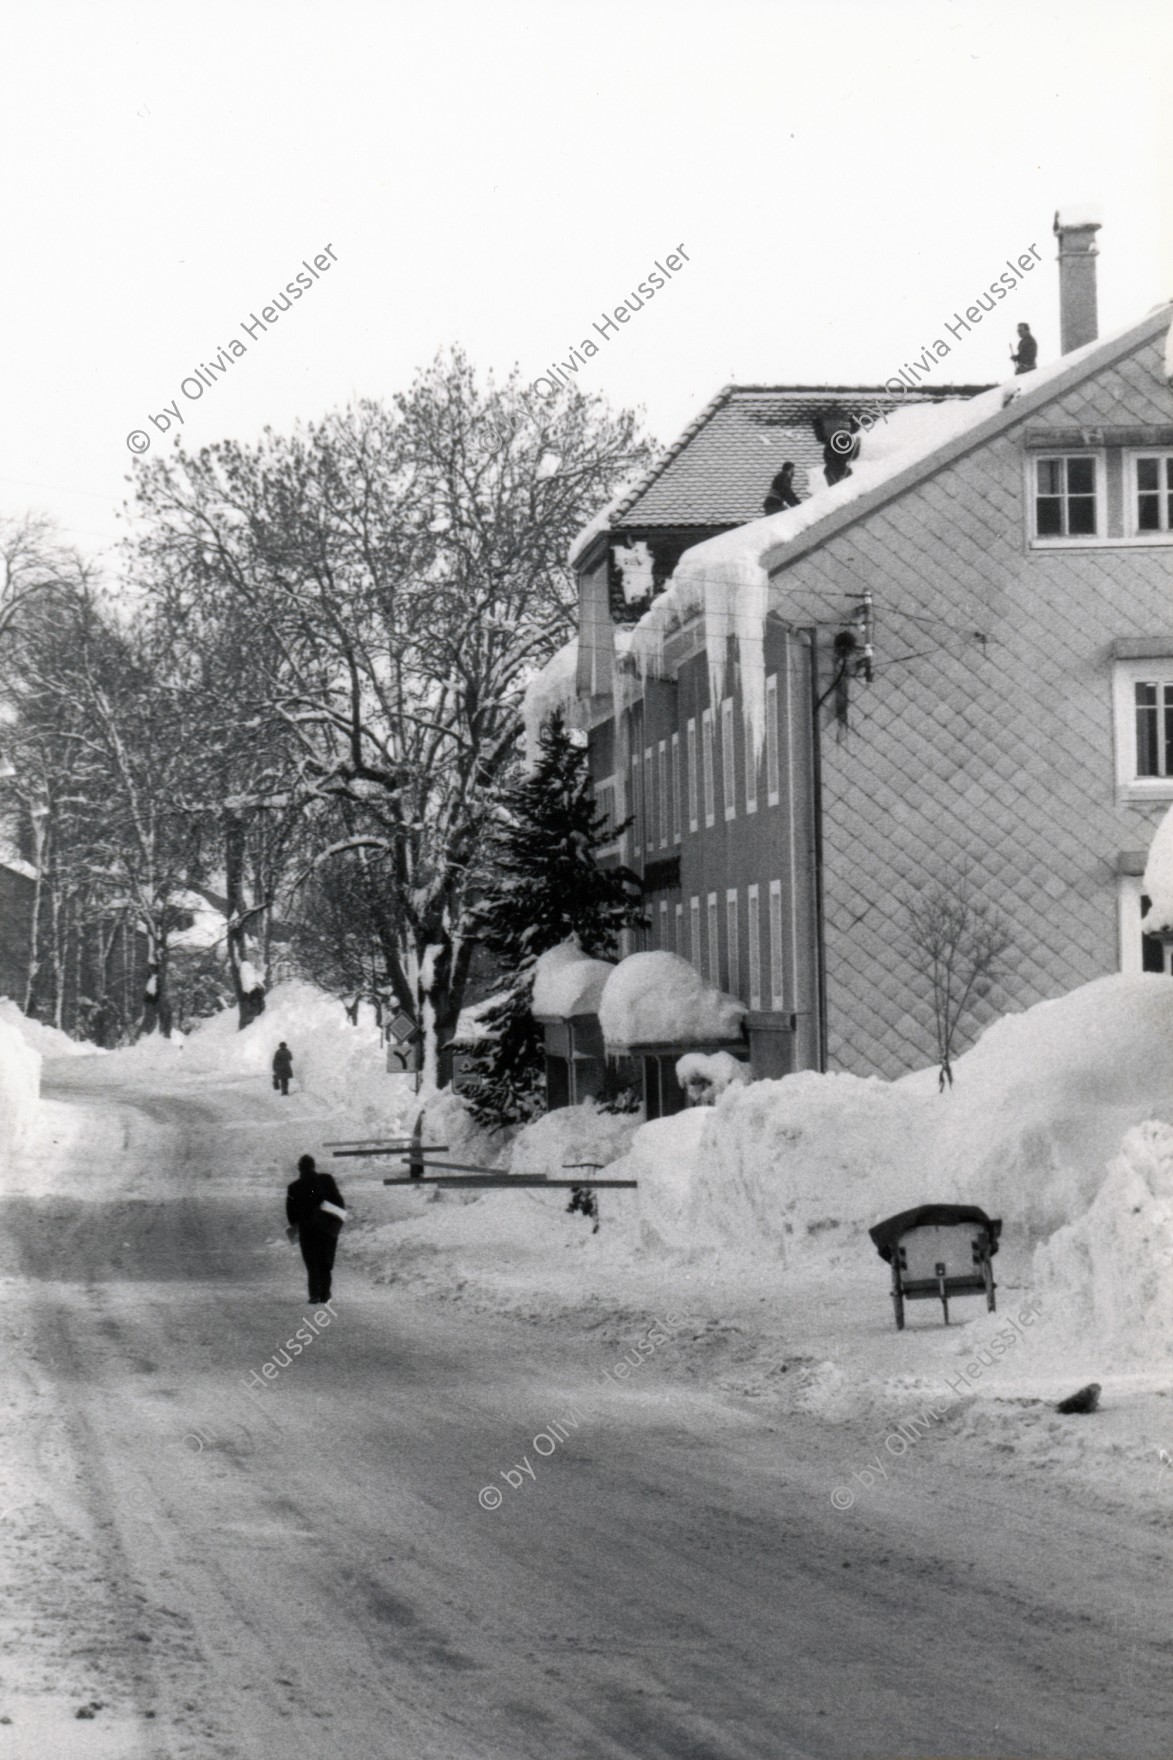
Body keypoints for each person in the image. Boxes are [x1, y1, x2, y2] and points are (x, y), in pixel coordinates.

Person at [285, 1153, 345, 1304]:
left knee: (311, 1262)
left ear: (299, 1169)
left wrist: (296, 1224)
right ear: (313, 1166)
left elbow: (290, 1212)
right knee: (325, 1260)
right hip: (327, 1227)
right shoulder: (326, 1180)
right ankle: (325, 1293)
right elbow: (338, 1201)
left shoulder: (293, 1188)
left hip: (307, 1229)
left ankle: (314, 1294)